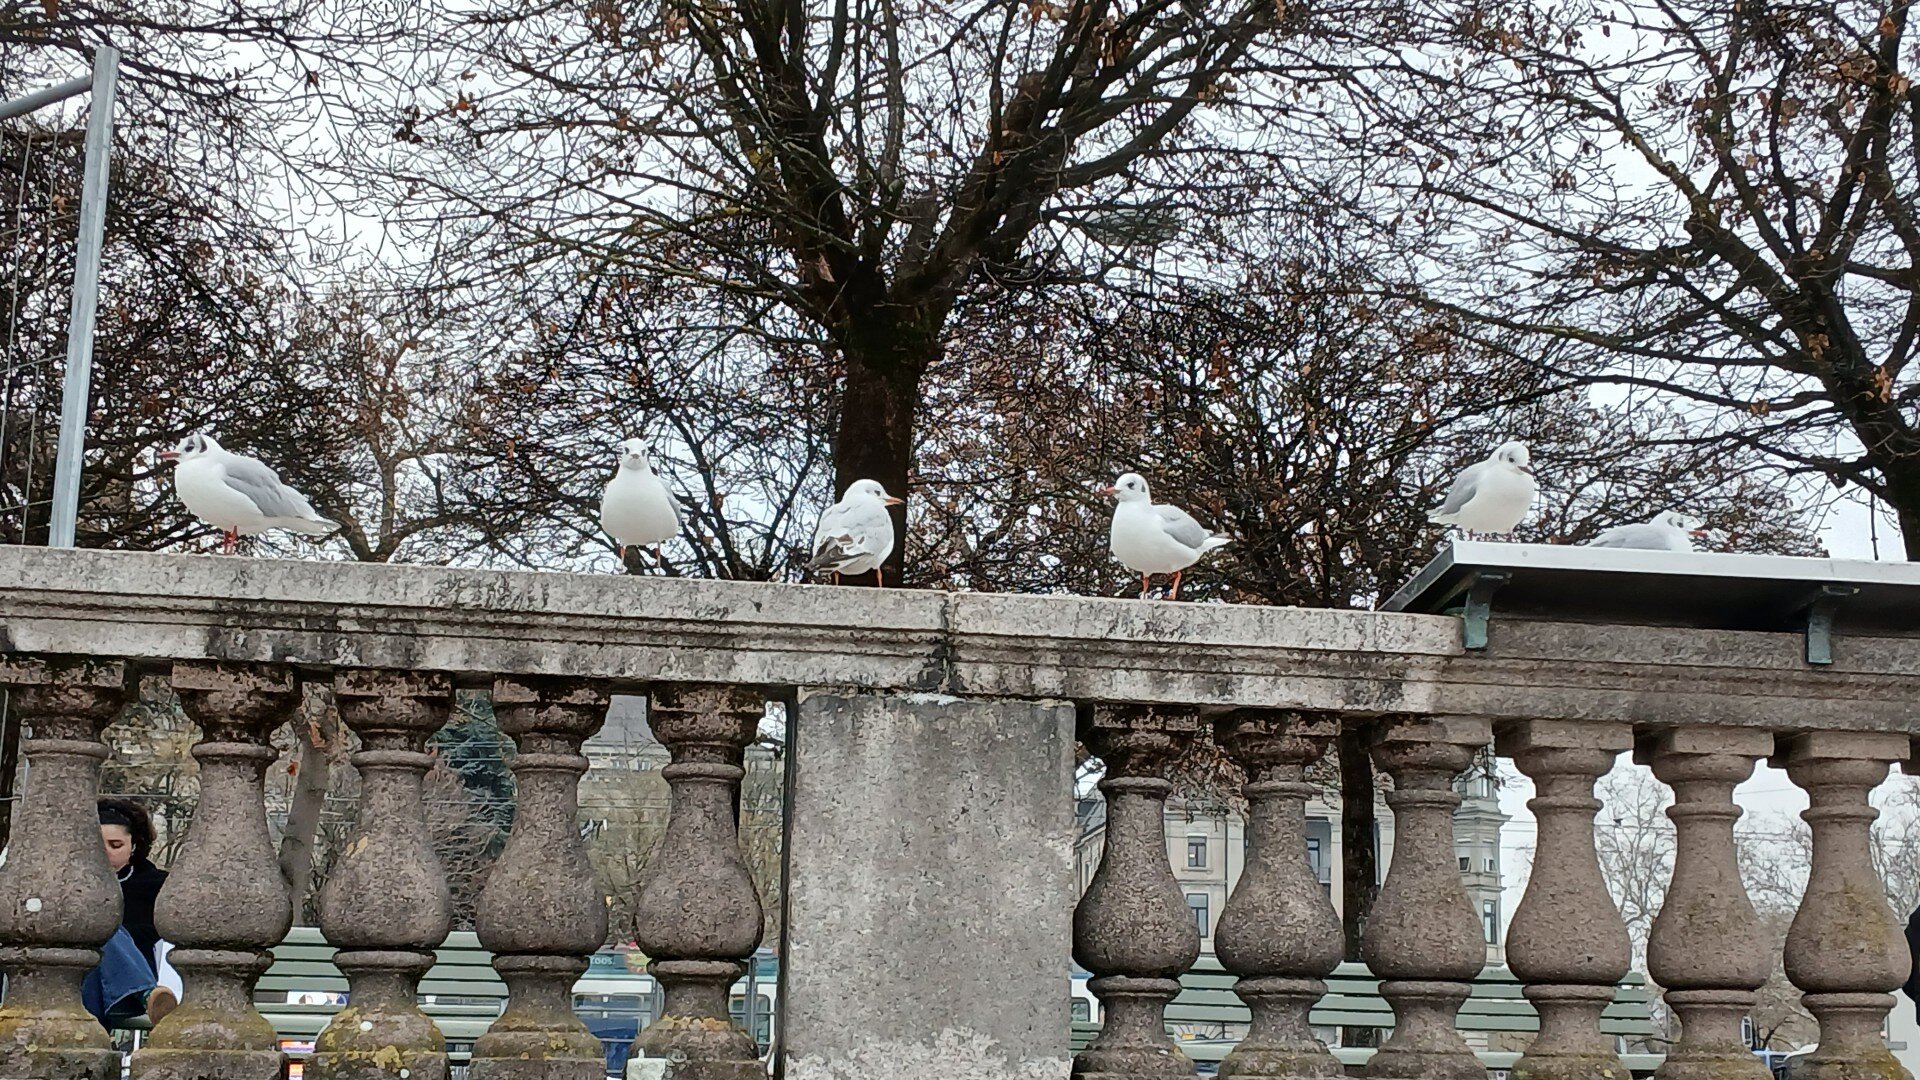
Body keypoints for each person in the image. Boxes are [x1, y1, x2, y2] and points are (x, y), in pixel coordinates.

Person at [97, 799, 168, 976]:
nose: (105, 852)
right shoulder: (66, 884)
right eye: (97, 844)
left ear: (133, 846)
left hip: (137, 967)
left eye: (115, 845)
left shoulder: (157, 885)